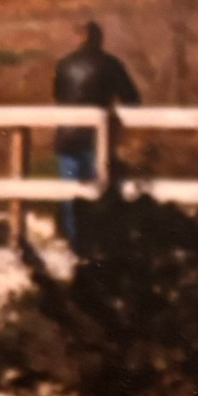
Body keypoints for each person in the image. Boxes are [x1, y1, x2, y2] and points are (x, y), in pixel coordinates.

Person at [50, 21, 140, 247]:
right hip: (97, 138)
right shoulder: (110, 64)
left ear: (76, 38)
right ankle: (94, 243)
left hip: (66, 136)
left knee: (69, 192)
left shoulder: (63, 65)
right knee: (97, 191)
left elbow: (58, 95)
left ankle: (71, 241)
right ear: (100, 39)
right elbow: (132, 99)